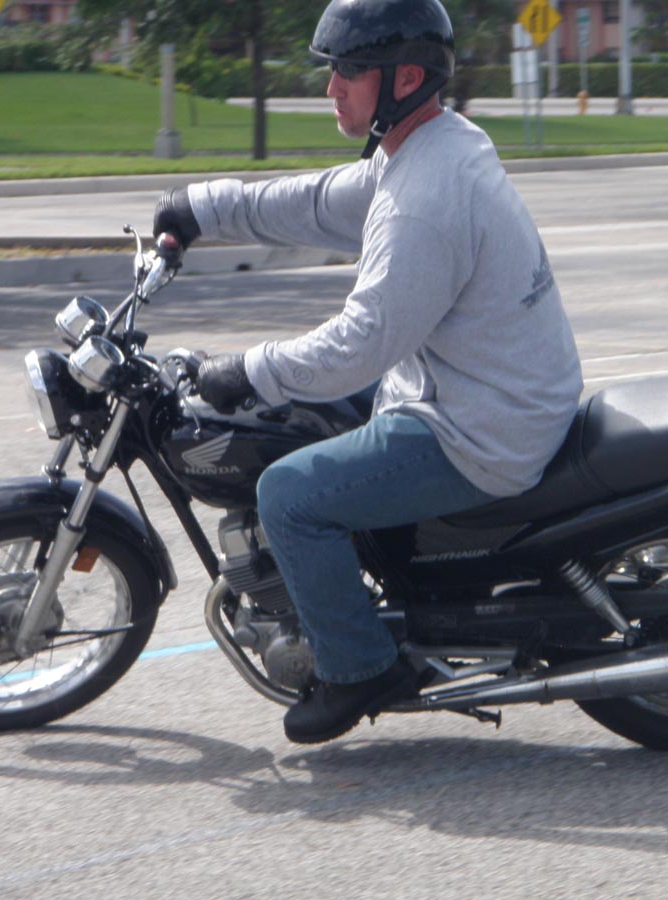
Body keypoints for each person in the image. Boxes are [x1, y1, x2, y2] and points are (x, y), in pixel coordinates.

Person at [152, 0, 583, 745]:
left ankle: (358, 668)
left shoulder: (424, 201)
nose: (332, 87)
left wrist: (248, 370)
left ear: (405, 78)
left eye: (350, 70)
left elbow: (361, 343)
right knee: (306, 417)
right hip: (473, 388)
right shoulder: (431, 146)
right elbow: (322, 203)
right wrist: (203, 209)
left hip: (478, 430)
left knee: (288, 494)